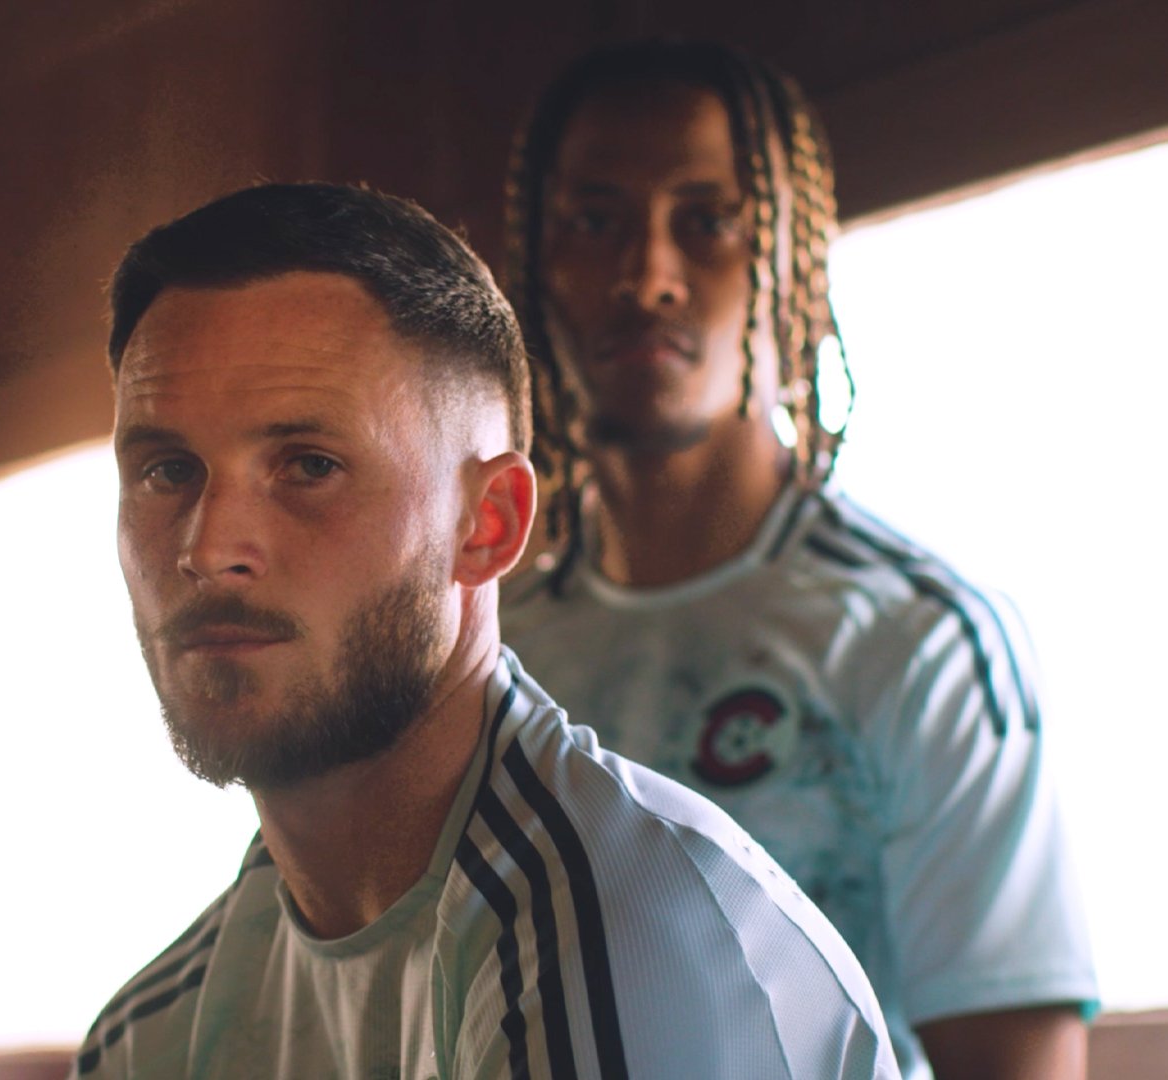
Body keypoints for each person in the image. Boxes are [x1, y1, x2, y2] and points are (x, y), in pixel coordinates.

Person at [74, 182, 898, 1078]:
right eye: (165, 471)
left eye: (309, 466)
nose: (209, 545)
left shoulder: (626, 936)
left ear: (489, 525)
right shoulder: (146, 1037)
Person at [498, 41, 1099, 1080]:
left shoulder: (920, 641)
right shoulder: (490, 659)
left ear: (794, 265)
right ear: (536, 265)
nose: (647, 276)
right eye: (594, 222)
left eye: (709, 221)